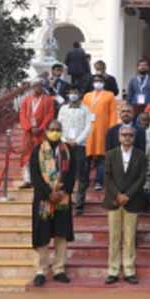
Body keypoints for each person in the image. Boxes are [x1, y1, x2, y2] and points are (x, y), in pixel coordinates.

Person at [30, 119, 76, 286]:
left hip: (63, 199)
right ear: (46, 130)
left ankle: (59, 269)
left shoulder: (68, 150)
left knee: (61, 234)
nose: (55, 132)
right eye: (52, 129)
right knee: (42, 235)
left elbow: (72, 174)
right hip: (44, 199)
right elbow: (35, 176)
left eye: (58, 129)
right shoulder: (37, 150)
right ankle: (41, 270)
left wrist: (63, 192)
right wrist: (49, 193)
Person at [103, 125, 147, 285]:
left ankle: (129, 270)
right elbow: (107, 177)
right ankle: (113, 270)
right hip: (114, 201)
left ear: (134, 138)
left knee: (129, 238)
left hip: (132, 201)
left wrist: (128, 195)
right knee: (114, 237)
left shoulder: (141, 156)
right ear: (119, 137)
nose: (127, 138)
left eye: (130, 135)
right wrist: (118, 195)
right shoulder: (110, 154)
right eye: (124, 135)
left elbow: (142, 178)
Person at [57, 85, 92, 213]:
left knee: (82, 174)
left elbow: (88, 127)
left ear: (80, 94)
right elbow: (58, 125)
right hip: (65, 145)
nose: (73, 94)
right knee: (65, 173)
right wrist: (65, 140)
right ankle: (66, 199)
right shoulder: (63, 109)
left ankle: (80, 203)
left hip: (80, 145)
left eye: (75, 92)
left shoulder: (86, 110)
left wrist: (77, 141)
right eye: (71, 92)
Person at [82, 74, 118, 192]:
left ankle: (99, 181)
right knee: (87, 157)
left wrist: (111, 129)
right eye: (95, 80)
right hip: (88, 130)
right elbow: (83, 113)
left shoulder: (109, 95)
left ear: (104, 82)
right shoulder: (87, 96)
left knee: (102, 157)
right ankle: (85, 180)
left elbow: (113, 113)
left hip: (103, 130)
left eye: (100, 81)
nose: (97, 82)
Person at [19, 81, 56, 188]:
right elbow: (22, 115)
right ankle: (27, 179)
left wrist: (41, 128)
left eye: (39, 86)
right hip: (28, 133)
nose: (36, 88)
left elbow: (50, 114)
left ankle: (42, 179)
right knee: (27, 155)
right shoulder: (26, 100)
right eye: (35, 86)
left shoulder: (48, 100)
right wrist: (29, 128)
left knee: (43, 154)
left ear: (42, 87)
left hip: (42, 133)